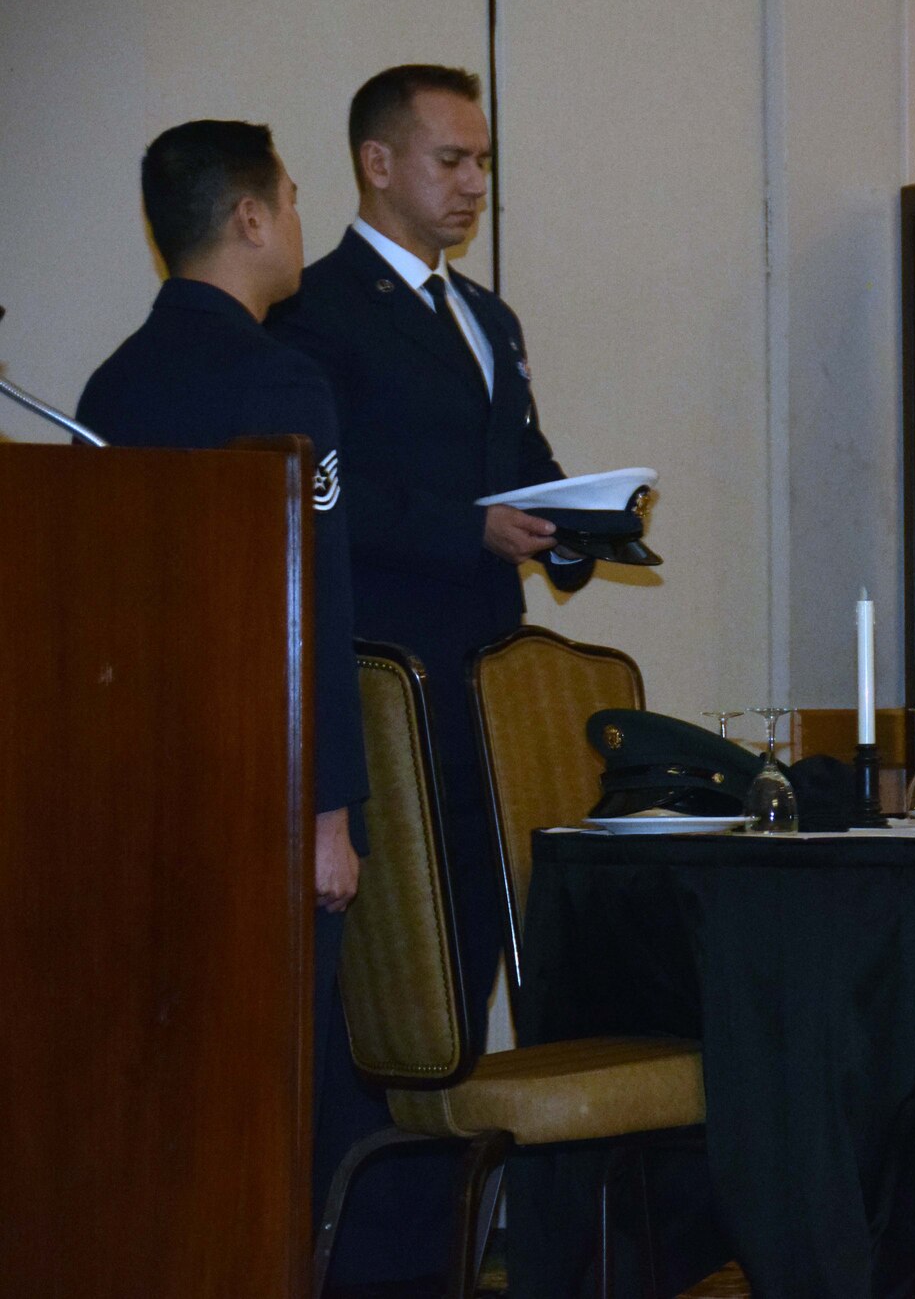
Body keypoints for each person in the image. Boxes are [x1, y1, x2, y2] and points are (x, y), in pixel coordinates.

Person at [269, 63, 592, 1294]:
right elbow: (323, 507)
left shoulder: (486, 316)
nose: (472, 185)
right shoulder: (317, 312)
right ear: (378, 163)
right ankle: (378, 1261)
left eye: (482, 163)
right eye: (451, 160)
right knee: (392, 1004)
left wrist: (580, 516)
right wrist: (470, 525)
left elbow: (524, 459)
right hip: (386, 707)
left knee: (468, 990)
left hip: (487, 708)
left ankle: (454, 1254)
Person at [72, 118, 368, 1227]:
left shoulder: (114, 384)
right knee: (285, 1095)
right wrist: (327, 812)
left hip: (152, 796)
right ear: (250, 218)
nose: (297, 219)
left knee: (179, 1087)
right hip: (268, 796)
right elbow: (318, 599)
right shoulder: (278, 381)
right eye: (290, 198)